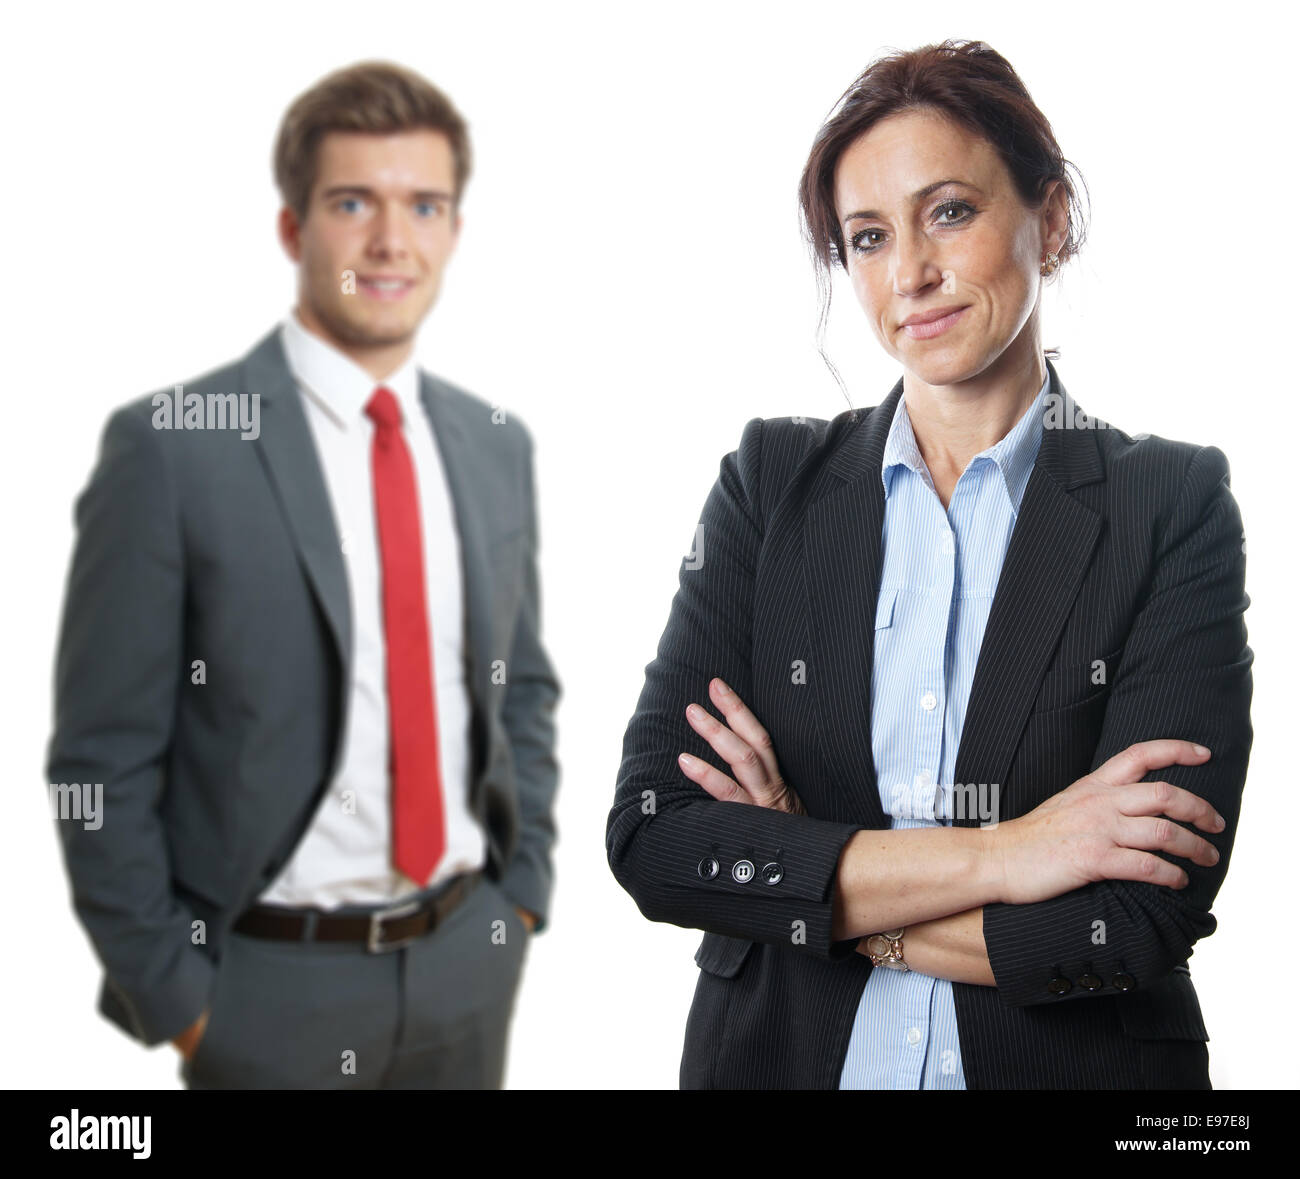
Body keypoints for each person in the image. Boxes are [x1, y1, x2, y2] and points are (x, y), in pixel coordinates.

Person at [608, 38, 1251, 1089]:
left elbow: (1132, 924)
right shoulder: (770, 484)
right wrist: (1012, 855)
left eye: (948, 212)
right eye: (867, 237)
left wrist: (803, 868)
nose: (907, 273)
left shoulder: (1168, 505)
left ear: (1050, 219)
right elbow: (659, 840)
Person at [46, 60, 560, 1089]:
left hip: (466, 964)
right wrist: (182, 1003)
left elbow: (522, 690)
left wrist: (524, 892)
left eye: (423, 204)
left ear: (454, 229)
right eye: (351, 202)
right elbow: (97, 768)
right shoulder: (173, 449)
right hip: (266, 989)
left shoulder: (491, 446)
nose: (389, 240)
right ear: (293, 230)